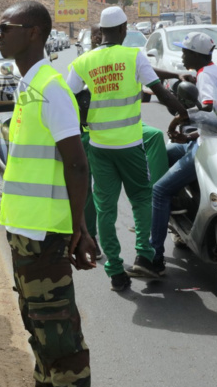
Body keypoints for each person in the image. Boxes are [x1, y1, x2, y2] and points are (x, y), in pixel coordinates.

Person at [0, 0, 98, 387]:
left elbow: (76, 162)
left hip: (46, 237)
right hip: (25, 234)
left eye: (5, 27)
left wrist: (79, 228)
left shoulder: (52, 88)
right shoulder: (28, 85)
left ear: (33, 32)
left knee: (60, 337)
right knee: (38, 330)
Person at [66, 7, 186, 292]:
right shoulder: (134, 56)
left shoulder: (83, 61)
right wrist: (183, 113)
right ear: (122, 29)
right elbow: (160, 91)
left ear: (102, 31)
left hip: (99, 146)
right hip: (130, 146)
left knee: (105, 208)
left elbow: (69, 96)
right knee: (142, 198)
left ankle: (115, 271)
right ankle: (144, 254)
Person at [74, 24, 173, 250]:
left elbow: (146, 72)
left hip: (116, 133)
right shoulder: (86, 62)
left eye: (100, 33)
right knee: (93, 194)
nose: (98, 37)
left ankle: (159, 197)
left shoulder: (119, 57)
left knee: (155, 136)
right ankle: (91, 238)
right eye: (95, 34)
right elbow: (70, 94)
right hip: (94, 135)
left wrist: (174, 76)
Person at [149, 31, 217, 275]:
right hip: (210, 139)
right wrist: (189, 136)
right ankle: (181, 211)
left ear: (196, 54)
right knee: (164, 153)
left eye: (185, 52)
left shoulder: (205, 75)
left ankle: (154, 256)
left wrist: (178, 120)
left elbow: (206, 110)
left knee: (159, 190)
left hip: (208, 147)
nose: (182, 56)